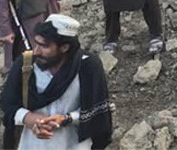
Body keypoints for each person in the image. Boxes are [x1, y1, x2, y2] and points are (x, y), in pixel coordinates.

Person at [1, 14, 112, 149]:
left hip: (72, 144)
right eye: (36, 44)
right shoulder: (26, 64)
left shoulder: (87, 66)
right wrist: (29, 118)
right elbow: (8, 104)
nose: (36, 51)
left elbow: (97, 113)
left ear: (64, 48)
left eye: (44, 46)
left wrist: (66, 119)